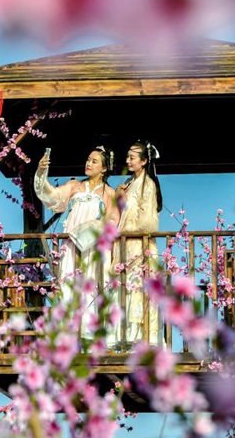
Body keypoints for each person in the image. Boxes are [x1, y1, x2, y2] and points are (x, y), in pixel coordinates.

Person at [34, 145, 119, 339]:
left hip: (95, 245)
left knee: (92, 282)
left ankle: (90, 334)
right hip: (72, 243)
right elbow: (52, 197)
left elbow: (113, 220)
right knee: (68, 280)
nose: (88, 163)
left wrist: (95, 226)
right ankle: (68, 332)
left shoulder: (109, 193)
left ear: (104, 168)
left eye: (94, 161)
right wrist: (41, 172)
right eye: (88, 159)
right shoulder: (74, 187)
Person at [113, 140, 163, 346]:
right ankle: (124, 337)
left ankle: (140, 339)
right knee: (125, 288)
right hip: (125, 245)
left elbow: (148, 222)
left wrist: (123, 231)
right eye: (127, 157)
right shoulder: (130, 184)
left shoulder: (147, 185)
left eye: (132, 157)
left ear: (143, 161)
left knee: (138, 289)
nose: (127, 161)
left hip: (139, 245)